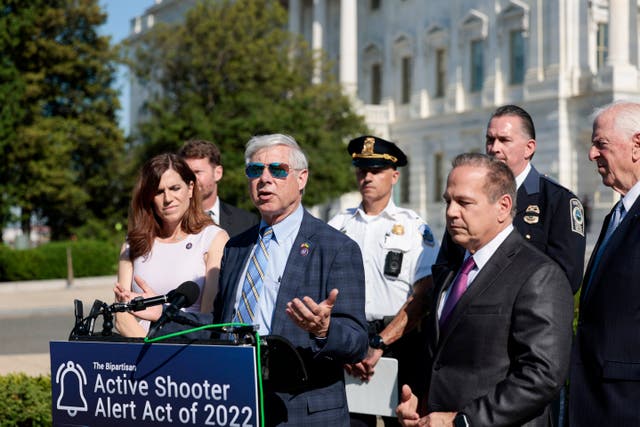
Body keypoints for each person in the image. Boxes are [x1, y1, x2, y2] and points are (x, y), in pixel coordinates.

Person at [119, 134, 368, 425]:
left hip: (303, 411)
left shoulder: (335, 247)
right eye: (255, 171)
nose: (264, 179)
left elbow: (357, 341)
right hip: (237, 403)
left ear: (302, 179)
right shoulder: (237, 247)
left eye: (277, 170)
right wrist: (164, 315)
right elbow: (218, 325)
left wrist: (324, 329)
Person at [396, 153, 573, 427]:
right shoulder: (452, 271)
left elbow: (542, 375)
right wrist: (419, 401)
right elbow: (443, 356)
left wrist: (464, 421)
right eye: (448, 201)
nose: (451, 212)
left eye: (464, 202)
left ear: (503, 207)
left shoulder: (538, 274)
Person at [328, 135, 439, 427]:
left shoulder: (415, 228)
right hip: (349, 340)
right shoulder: (337, 226)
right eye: (362, 170)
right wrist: (346, 343)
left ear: (394, 176)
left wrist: (379, 342)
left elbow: (424, 294)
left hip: (399, 342)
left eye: (376, 170)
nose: (367, 177)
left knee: (403, 422)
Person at [437, 105, 586, 294]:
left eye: (504, 140)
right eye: (490, 140)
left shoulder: (558, 201)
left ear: (529, 148)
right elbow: (446, 265)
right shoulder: (468, 196)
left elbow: (565, 278)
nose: (494, 148)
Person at [569, 101, 640, 426]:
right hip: (598, 399)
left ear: (637, 146)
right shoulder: (618, 213)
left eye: (601, 144)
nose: (591, 154)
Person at [114, 153, 229, 337]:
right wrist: (148, 350)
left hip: (189, 353)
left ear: (190, 188)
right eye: (159, 192)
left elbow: (209, 323)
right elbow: (121, 316)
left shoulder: (213, 238)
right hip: (138, 354)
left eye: (175, 188)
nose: (167, 198)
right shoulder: (132, 244)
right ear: (149, 197)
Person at [179, 139, 258, 237]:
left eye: (197, 172)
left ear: (218, 173)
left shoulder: (246, 222)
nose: (192, 179)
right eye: (187, 173)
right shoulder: (173, 222)